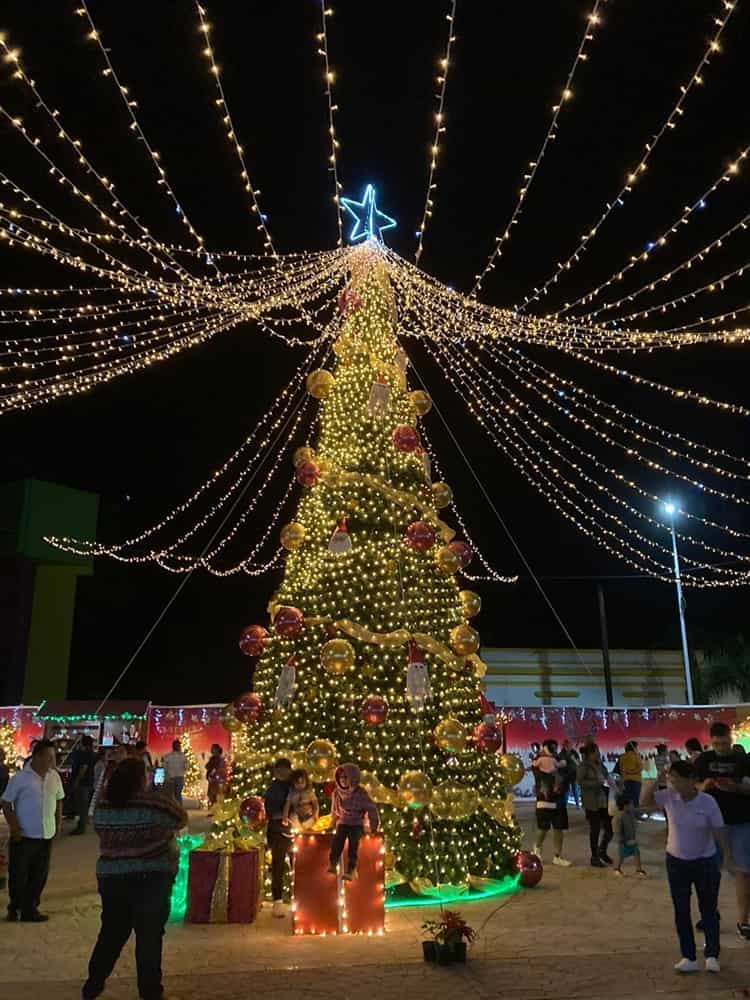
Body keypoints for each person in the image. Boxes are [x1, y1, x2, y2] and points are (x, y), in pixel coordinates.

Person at [81, 756, 187, 1000]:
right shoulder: (152, 804)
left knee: (111, 933)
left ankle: (93, 985)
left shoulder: (105, 805)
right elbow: (180, 818)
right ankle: (150, 992)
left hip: (112, 877)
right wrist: (165, 794)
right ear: (142, 779)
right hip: (150, 877)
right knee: (149, 937)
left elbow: (98, 828)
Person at [656, 759, 726, 974]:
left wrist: (724, 861)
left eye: (676, 779)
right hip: (676, 862)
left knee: (708, 909)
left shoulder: (707, 802)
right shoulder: (669, 797)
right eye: (671, 779)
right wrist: (658, 778)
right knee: (681, 910)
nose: (673, 783)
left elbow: (719, 832)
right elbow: (644, 801)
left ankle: (712, 954)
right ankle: (688, 956)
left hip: (705, 861)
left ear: (691, 780)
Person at [695, 720, 750, 940]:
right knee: (709, 871)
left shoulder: (743, 760)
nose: (720, 748)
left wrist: (735, 787)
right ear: (711, 741)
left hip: (740, 821)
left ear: (731, 739)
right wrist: (704, 786)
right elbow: (692, 788)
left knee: (743, 872)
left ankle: (743, 921)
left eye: (724, 743)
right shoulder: (704, 760)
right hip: (711, 823)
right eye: (716, 744)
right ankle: (710, 914)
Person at [1, 739, 64, 921]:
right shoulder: (21, 778)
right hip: (24, 835)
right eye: (48, 758)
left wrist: (57, 823)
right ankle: (15, 908)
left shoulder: (54, 776)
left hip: (46, 834)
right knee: (18, 875)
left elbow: (59, 799)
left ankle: (30, 909)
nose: (52, 762)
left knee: (40, 875)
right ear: (37, 757)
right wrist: (14, 827)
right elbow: (6, 803)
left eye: (53, 758)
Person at [327, 763, 379, 880]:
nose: (343, 780)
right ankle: (333, 863)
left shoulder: (361, 793)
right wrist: (331, 824)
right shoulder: (336, 793)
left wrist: (373, 826)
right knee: (338, 839)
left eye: (346, 777)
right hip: (343, 822)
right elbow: (335, 811)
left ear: (353, 778)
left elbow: (371, 809)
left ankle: (351, 869)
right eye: (341, 778)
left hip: (356, 823)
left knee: (353, 842)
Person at [532, 739, 571, 867]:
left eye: (555, 747)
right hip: (544, 800)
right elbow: (538, 772)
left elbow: (567, 774)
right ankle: (537, 849)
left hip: (559, 801)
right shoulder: (538, 762)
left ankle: (557, 856)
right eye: (551, 747)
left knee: (559, 828)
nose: (553, 749)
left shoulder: (558, 760)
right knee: (543, 828)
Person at [577, 743, 612, 867]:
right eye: (596, 751)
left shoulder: (600, 764)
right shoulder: (583, 766)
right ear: (591, 753)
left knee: (609, 829)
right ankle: (594, 857)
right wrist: (596, 783)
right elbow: (580, 782)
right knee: (595, 829)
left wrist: (614, 782)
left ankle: (602, 850)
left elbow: (607, 775)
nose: (598, 753)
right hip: (591, 802)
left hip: (603, 800)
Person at [264, 757, 292, 918]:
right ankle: (278, 901)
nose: (282, 773)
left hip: (293, 830)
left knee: (296, 864)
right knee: (278, 866)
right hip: (277, 831)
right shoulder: (273, 789)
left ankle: (297, 897)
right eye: (279, 770)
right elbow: (270, 810)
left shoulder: (294, 786)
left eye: (285, 770)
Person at [69, 734, 97, 835]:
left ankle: (81, 827)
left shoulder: (85, 753)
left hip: (83, 782)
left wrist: (76, 781)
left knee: (82, 805)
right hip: (89, 781)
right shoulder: (92, 753)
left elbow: (83, 768)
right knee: (84, 805)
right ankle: (82, 825)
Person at [613, 795, 647, 876]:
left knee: (636, 852)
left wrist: (646, 814)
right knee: (621, 855)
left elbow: (638, 811)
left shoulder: (630, 812)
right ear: (625, 806)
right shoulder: (618, 817)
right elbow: (617, 830)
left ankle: (639, 869)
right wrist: (621, 840)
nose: (632, 805)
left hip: (631, 838)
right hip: (624, 841)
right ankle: (617, 868)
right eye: (631, 804)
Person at [162, 739, 188, 806]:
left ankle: (178, 809)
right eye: (178, 745)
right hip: (172, 777)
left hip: (179, 777)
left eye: (179, 745)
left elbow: (186, 766)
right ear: (174, 746)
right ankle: (174, 809)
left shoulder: (183, 756)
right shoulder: (168, 756)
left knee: (177, 794)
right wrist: (166, 775)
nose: (179, 747)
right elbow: (164, 766)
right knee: (173, 795)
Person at [618, 741, 643, 809]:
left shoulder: (622, 756)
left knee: (627, 800)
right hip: (636, 780)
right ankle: (636, 815)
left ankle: (627, 815)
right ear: (634, 747)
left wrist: (627, 773)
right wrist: (632, 772)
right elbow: (640, 767)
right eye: (637, 747)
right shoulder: (637, 755)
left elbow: (620, 769)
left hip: (626, 780)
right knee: (635, 799)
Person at [559, 739, 581, 808]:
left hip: (574, 773)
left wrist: (574, 759)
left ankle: (577, 804)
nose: (570, 746)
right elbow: (561, 764)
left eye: (570, 745)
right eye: (568, 745)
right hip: (565, 774)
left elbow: (578, 763)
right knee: (566, 790)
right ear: (565, 746)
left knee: (575, 789)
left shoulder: (574, 753)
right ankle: (564, 805)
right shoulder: (561, 753)